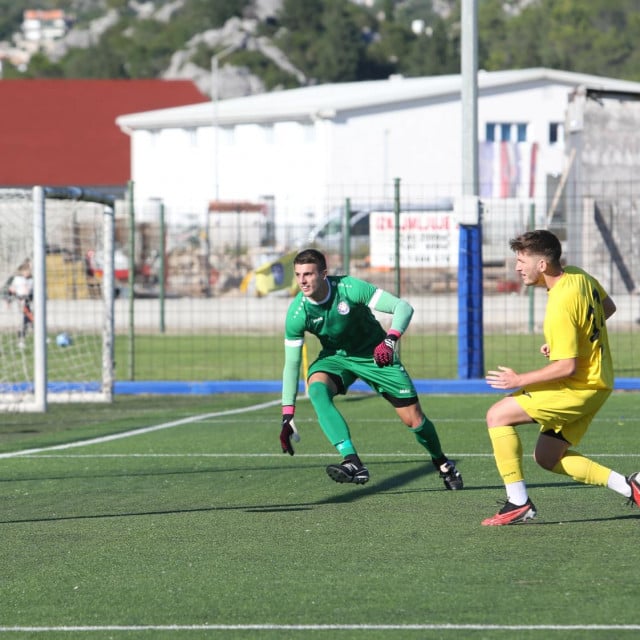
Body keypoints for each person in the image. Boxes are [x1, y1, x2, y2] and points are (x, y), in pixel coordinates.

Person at [484, 229, 639, 525]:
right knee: (548, 457)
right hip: (599, 383)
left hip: (577, 387)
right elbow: (608, 308)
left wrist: (519, 380)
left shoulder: (560, 304)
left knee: (497, 415)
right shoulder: (579, 276)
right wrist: (571, 340)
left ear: (542, 265)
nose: (517, 267)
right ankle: (630, 487)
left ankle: (518, 503)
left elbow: (566, 367)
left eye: (521, 260)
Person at [279, 248, 463, 489]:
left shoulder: (349, 288)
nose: (302, 281)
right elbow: (292, 364)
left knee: (414, 420)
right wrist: (287, 414)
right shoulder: (296, 313)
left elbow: (403, 308)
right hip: (336, 358)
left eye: (309, 274)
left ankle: (442, 462)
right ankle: (352, 460)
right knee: (316, 389)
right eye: (298, 274)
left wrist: (390, 340)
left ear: (324, 274)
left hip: (376, 354)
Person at [8, 260, 34, 346]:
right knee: (30, 319)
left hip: (28, 301)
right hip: (21, 301)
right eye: (26, 271)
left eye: (29, 271)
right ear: (22, 271)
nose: (28, 272)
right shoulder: (17, 279)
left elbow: (33, 292)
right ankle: (21, 341)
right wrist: (9, 301)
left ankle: (21, 340)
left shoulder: (32, 280)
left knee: (28, 321)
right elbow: (11, 290)